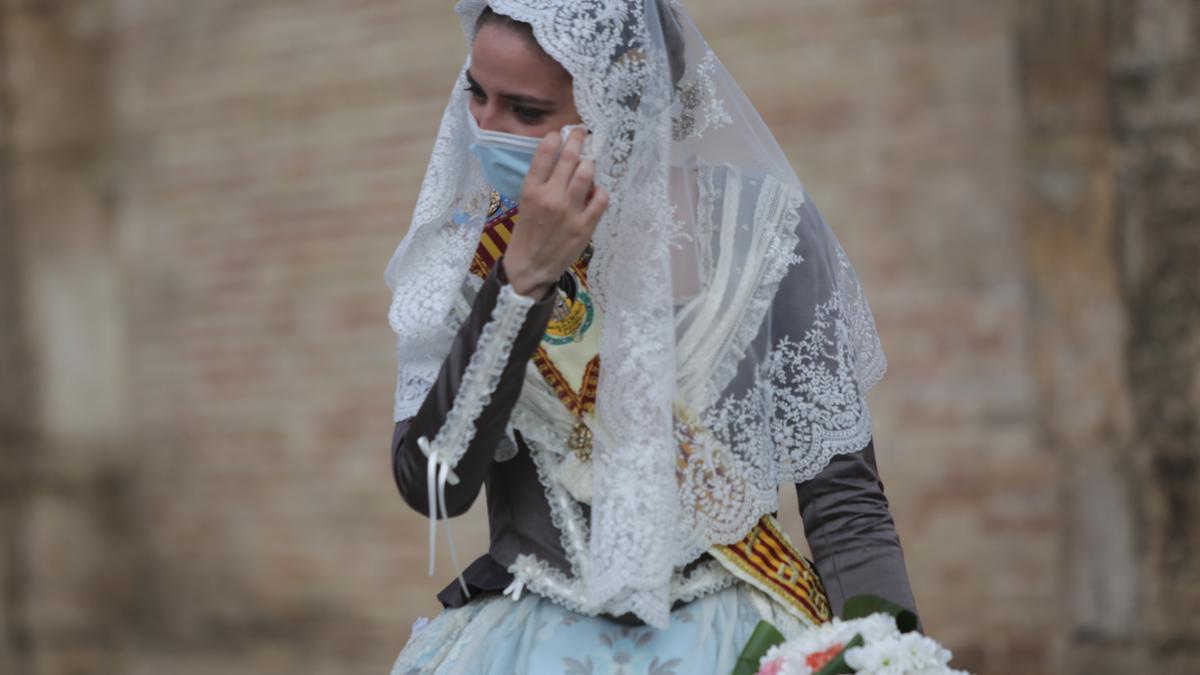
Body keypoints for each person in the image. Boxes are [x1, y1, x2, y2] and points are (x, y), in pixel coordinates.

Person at [386, 1, 917, 672]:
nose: (484, 130)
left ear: (621, 106)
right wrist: (521, 283)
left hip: (737, 640)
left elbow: (845, 506)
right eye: (476, 95)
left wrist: (894, 655)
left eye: (525, 112)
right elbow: (434, 485)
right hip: (530, 644)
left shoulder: (766, 234)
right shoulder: (466, 254)